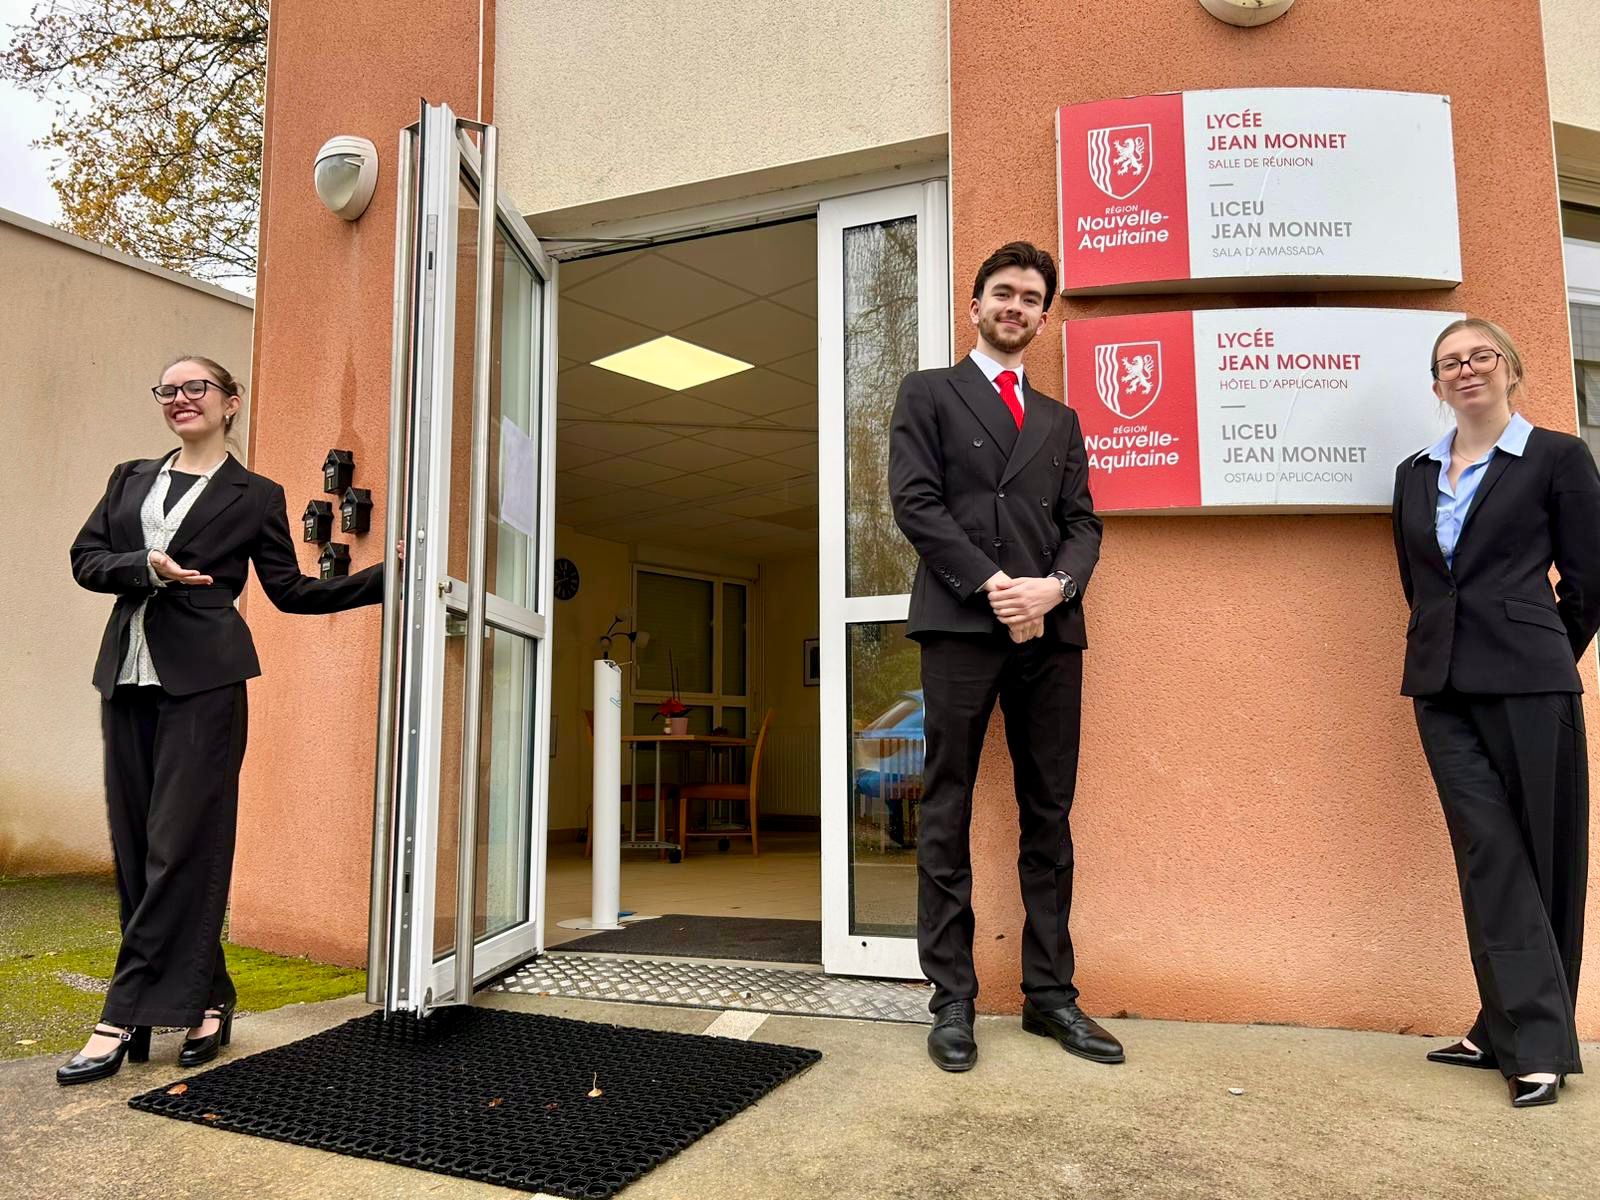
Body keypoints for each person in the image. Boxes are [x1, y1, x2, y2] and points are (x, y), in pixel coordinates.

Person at [57, 355, 383, 1085]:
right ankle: (209, 999)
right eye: (168, 389)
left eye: (195, 387)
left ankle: (121, 1014)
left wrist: (386, 579)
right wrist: (146, 565)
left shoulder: (256, 495)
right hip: (126, 678)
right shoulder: (129, 478)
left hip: (205, 682)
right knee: (139, 850)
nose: (180, 398)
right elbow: (86, 559)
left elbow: (291, 591)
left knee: (181, 846)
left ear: (231, 402)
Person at [888, 241, 1113, 1072]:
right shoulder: (928, 394)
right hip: (960, 624)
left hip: (1050, 632)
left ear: (1044, 319)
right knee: (946, 807)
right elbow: (915, 502)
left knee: (1048, 812)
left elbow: (1083, 523)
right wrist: (995, 586)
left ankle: (1051, 996)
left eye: (1030, 298)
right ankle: (952, 1000)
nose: (1016, 306)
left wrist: (1053, 589)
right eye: (1003, 292)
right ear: (975, 304)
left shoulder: (1061, 421)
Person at [1393, 317, 1600, 1108]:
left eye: (1481, 355)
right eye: (1450, 362)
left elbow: (1589, 580)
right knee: (1488, 850)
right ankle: (1508, 1025)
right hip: (1441, 687)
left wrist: (1542, 650)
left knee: (1539, 855)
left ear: (1511, 369)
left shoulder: (1557, 457)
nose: (1466, 368)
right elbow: (1421, 584)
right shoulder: (1415, 474)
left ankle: (1531, 1040)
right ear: (1437, 385)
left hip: (1530, 684)